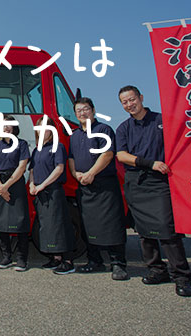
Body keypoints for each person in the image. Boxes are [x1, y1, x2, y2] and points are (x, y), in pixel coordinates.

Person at [115, 85, 191, 297]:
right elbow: (121, 155)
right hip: (136, 182)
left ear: (141, 97)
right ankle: (157, 270)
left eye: (132, 99)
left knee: (167, 230)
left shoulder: (163, 121)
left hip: (159, 182)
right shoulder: (124, 128)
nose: (129, 104)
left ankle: (182, 277)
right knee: (143, 231)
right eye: (124, 102)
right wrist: (149, 163)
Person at [69, 97, 128, 281]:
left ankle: (118, 264)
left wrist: (91, 173)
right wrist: (76, 174)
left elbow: (108, 154)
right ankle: (94, 261)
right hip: (85, 186)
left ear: (93, 111)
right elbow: (71, 158)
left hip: (104, 184)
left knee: (112, 224)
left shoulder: (104, 129)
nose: (82, 113)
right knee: (88, 225)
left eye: (85, 109)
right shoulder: (75, 135)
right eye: (78, 111)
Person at [29, 117, 76, 274]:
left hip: (53, 190)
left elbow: (59, 169)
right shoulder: (37, 150)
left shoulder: (58, 147)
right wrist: (32, 184)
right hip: (41, 193)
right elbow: (32, 170)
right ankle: (56, 258)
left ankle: (68, 261)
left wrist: (42, 185)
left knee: (60, 225)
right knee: (47, 226)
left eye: (46, 128)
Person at [0, 116, 30, 271]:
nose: (6, 128)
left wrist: (7, 186)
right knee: (1, 223)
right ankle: (6, 257)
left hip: (15, 184)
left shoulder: (22, 144)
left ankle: (22, 259)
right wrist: (0, 186)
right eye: (3, 125)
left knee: (21, 222)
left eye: (9, 125)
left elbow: (22, 166)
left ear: (14, 128)